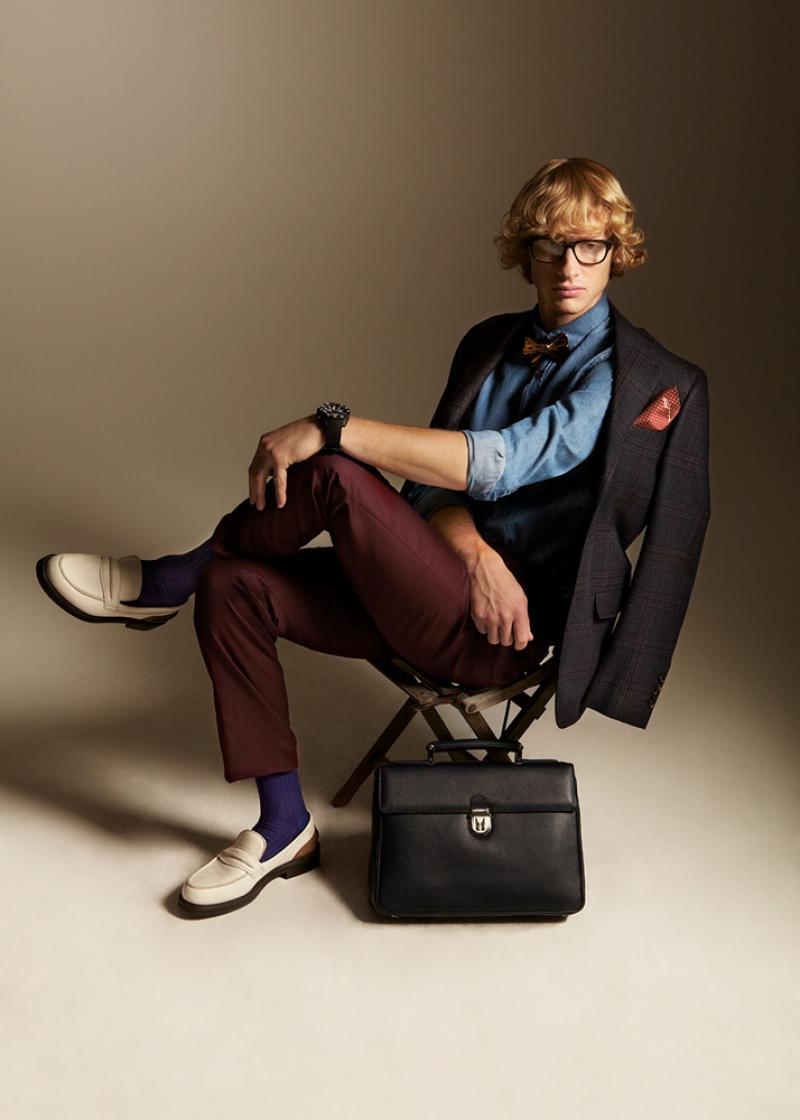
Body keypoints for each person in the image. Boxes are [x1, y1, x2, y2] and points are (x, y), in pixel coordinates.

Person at [35, 157, 710, 917]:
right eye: (550, 244)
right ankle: (284, 826)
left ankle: (167, 580)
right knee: (234, 586)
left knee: (333, 469)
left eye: (589, 245)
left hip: (504, 630)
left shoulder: (639, 379)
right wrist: (474, 553)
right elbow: (430, 490)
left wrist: (334, 425)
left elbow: (506, 461)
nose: (569, 265)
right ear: (526, 253)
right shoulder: (489, 343)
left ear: (617, 251)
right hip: (431, 583)